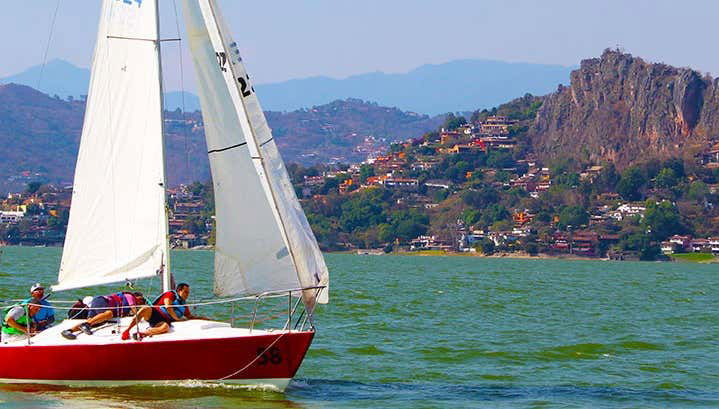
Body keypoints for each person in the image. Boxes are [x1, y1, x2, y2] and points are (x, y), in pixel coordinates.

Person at [121, 283, 206, 341]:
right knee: (145, 309)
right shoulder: (170, 294)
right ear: (179, 291)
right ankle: (127, 330)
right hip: (155, 313)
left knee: (165, 327)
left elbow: (190, 316)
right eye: (185, 292)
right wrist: (177, 319)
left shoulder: (183, 305)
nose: (187, 295)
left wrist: (203, 318)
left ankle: (143, 333)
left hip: (162, 320)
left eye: (188, 293)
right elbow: (168, 306)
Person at [61, 292, 145, 340]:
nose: (140, 302)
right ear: (136, 296)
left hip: (96, 303)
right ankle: (86, 325)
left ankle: (69, 331)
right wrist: (142, 315)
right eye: (141, 299)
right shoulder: (130, 296)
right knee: (109, 314)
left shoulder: (127, 303)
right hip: (101, 300)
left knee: (92, 321)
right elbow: (134, 309)